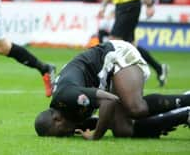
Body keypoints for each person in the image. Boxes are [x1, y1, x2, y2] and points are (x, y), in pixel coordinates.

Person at [34, 40, 190, 139]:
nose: (66, 135)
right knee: (123, 130)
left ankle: (186, 99)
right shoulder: (65, 110)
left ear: (57, 119)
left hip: (114, 55)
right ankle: (185, 115)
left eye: (61, 133)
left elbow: (109, 100)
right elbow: (101, 115)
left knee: (135, 108)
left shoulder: (66, 96)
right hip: (107, 78)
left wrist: (96, 135)